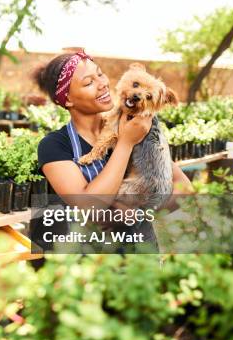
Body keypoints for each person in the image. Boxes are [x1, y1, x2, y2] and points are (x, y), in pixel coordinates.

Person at [31, 49, 193, 253]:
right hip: (91, 264)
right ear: (68, 100)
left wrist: (139, 213)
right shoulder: (55, 145)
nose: (102, 84)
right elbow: (90, 205)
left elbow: (183, 187)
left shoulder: (134, 123)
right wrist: (125, 143)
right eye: (89, 82)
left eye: (100, 74)